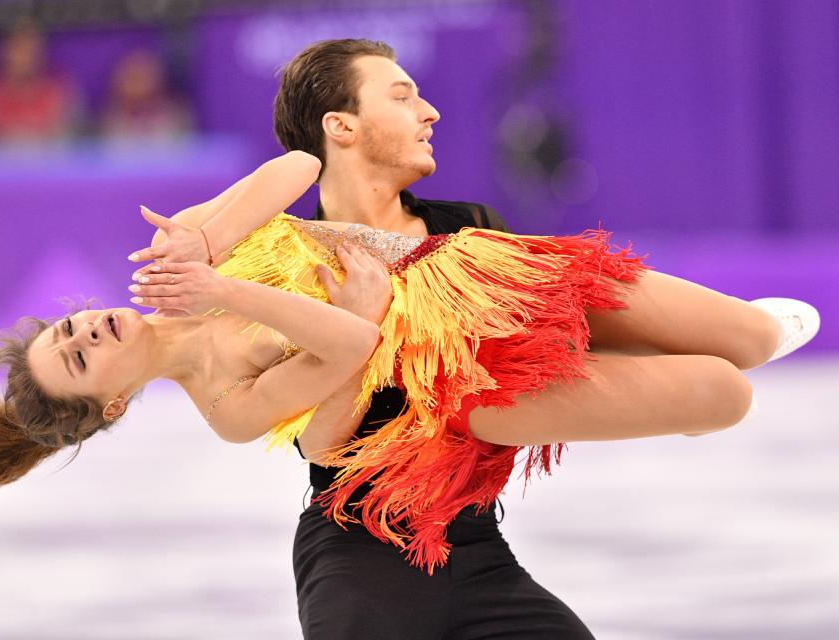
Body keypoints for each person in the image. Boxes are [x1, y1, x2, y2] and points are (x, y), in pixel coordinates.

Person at [123, 39, 819, 639]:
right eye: (402, 96)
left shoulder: (471, 228)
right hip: (370, 538)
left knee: (736, 364)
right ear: (341, 125)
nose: (429, 112)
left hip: (474, 539)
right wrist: (216, 244)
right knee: (721, 390)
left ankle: (725, 357)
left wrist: (653, 389)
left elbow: (549, 342)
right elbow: (317, 440)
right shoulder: (280, 254)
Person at [0, 151, 386, 510]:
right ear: (115, 403)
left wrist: (209, 239)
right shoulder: (227, 406)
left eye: (68, 328)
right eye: (79, 359)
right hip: (440, 353)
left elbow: (302, 166)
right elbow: (356, 345)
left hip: (437, 252)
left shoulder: (172, 255)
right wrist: (224, 291)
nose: (86, 334)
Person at [0, 24, 85, 146]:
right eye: (17, 47)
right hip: (1, 163)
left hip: (49, 162)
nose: (23, 55)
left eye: (29, 47)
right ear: (3, 51)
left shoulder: (60, 89)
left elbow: (76, 143)